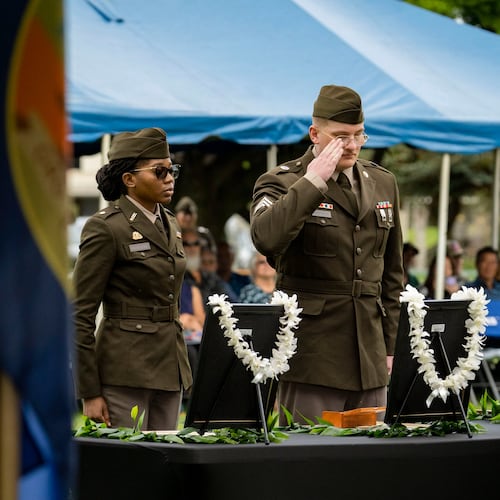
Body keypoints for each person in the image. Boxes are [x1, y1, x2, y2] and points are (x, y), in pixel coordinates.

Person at [250, 84, 404, 423]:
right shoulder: (282, 181)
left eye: (358, 135)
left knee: (373, 459)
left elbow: (392, 274)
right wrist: (313, 182)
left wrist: (392, 346)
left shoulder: (381, 181)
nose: (351, 145)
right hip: (312, 354)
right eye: (340, 137)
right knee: (310, 460)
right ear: (314, 134)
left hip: (370, 353)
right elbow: (266, 238)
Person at [73, 127, 192, 430]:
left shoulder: (171, 223)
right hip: (124, 372)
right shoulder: (106, 227)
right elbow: (80, 314)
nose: (169, 178)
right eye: (160, 171)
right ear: (129, 180)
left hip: (169, 367)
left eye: (172, 169)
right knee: (128, 470)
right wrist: (89, 391)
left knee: (166, 466)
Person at [182, 228, 237, 305]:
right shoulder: (176, 276)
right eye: (186, 244)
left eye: (196, 243)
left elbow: (233, 305)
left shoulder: (211, 278)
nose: (192, 248)